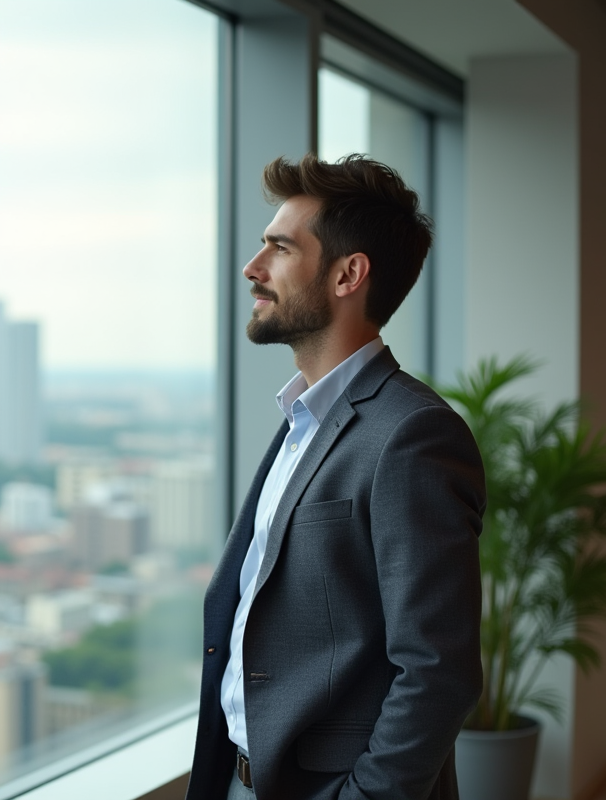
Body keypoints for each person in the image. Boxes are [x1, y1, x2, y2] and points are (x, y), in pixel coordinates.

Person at [185, 154, 486, 800]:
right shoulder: (302, 420)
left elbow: (438, 671)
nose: (252, 268)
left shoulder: (413, 435)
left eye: (279, 249)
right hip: (244, 776)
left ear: (348, 273)